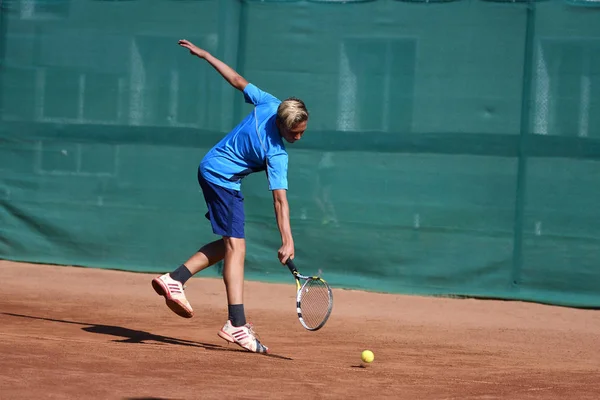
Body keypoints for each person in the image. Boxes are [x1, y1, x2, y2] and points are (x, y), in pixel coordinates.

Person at [151, 39, 309, 354]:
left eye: (303, 130)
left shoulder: (269, 103)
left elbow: (236, 80)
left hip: (211, 169)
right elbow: (280, 201)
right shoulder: (276, 154)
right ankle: (235, 324)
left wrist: (206, 55)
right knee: (237, 247)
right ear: (281, 124)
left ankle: (176, 278)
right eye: (294, 133)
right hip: (221, 180)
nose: (299, 137)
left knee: (229, 245)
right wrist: (287, 239)